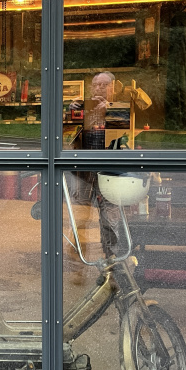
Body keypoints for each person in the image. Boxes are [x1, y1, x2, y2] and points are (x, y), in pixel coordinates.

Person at [67, 72, 120, 259]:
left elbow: (123, 137)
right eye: (96, 85)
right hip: (83, 169)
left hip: (108, 170)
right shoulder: (83, 107)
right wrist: (72, 112)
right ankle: (77, 256)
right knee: (80, 213)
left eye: (104, 85)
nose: (99, 88)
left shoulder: (119, 108)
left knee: (110, 216)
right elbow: (67, 136)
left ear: (113, 88)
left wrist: (110, 111)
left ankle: (111, 257)